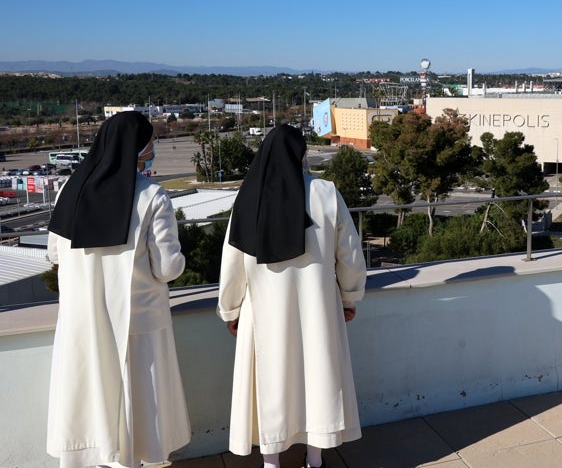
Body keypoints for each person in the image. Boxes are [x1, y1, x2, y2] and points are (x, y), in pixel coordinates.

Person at [46, 111, 191, 468]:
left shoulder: (70, 189)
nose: (155, 144)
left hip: (83, 321)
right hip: (136, 322)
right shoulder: (152, 196)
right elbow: (168, 267)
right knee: (137, 409)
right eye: (152, 138)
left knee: (90, 404)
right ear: (136, 145)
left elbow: (53, 253)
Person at [218, 124, 366, 468]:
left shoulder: (248, 197)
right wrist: (348, 296)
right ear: (301, 155)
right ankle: (314, 460)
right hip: (318, 308)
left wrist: (231, 309)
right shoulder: (326, 192)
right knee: (318, 377)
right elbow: (350, 255)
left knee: (272, 383)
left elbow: (232, 262)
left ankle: (271, 463)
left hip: (263, 313)